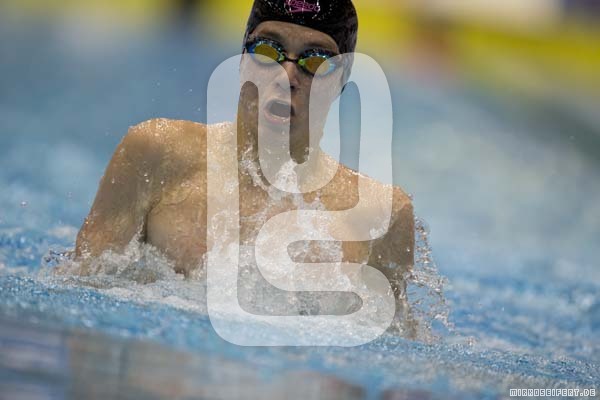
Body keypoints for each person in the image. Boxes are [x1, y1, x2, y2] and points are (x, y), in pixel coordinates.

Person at [74, 0, 415, 332]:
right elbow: (81, 292)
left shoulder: (378, 214)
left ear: (342, 80)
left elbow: (396, 346)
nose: (286, 76)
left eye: (315, 61)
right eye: (267, 51)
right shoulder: (156, 154)